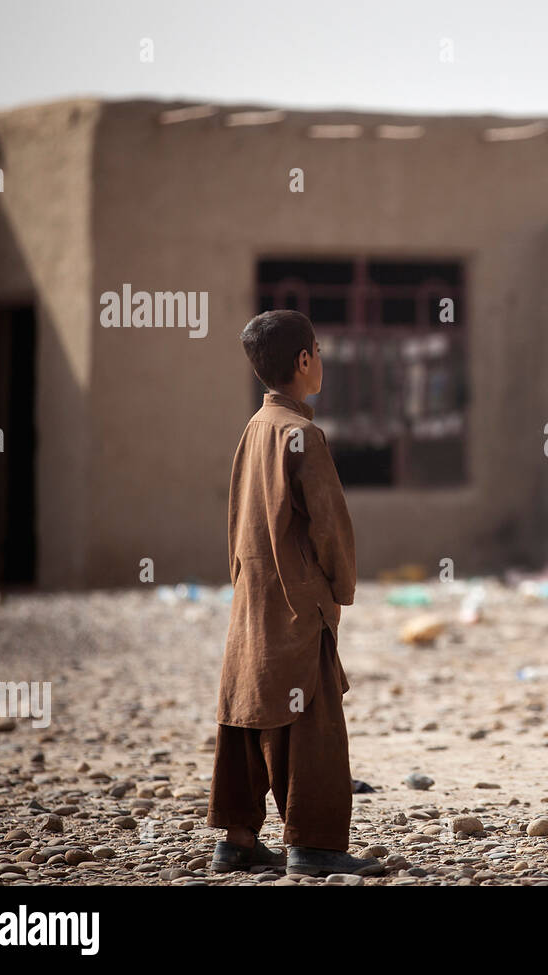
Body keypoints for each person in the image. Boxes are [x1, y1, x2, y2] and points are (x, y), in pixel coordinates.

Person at [205, 309, 380, 877]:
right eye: (320, 353)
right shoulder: (302, 434)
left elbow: (238, 519)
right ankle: (315, 845)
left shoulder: (254, 429)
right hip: (298, 600)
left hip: (250, 596)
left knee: (247, 709)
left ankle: (236, 839)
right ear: (304, 360)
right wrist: (339, 590)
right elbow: (330, 526)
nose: (322, 362)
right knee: (313, 722)